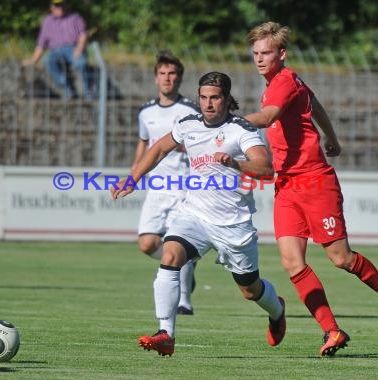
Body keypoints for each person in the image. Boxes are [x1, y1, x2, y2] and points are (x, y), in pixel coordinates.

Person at [244, 21, 378, 357]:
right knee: (292, 263)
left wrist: (225, 121)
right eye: (255, 53)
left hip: (315, 181)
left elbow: (267, 117)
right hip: (287, 185)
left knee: (341, 258)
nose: (260, 59)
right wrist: (331, 137)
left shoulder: (284, 81)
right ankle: (332, 331)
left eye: (266, 53)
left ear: (282, 54)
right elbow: (315, 105)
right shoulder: (281, 84)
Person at [111, 72, 286, 356]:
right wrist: (132, 178)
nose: (208, 103)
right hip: (194, 213)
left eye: (215, 97)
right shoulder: (188, 124)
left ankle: (277, 310)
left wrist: (235, 163)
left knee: (250, 290)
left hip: (233, 223)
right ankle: (166, 333)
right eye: (203, 97)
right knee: (170, 255)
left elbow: (265, 168)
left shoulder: (241, 129)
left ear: (227, 99)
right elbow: (158, 149)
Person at [131, 51, 201, 315]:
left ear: (179, 78)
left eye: (172, 74)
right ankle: (187, 266)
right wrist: (135, 171)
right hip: (157, 189)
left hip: (184, 188)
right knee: (147, 244)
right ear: (155, 78)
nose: (167, 78)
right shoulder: (146, 111)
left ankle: (185, 300)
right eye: (162, 73)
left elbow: (199, 142)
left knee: (176, 242)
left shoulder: (190, 110)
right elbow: (144, 143)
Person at [22, 0, 93, 100]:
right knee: (47, 60)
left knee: (81, 63)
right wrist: (34, 59)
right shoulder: (47, 21)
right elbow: (41, 44)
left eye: (62, 4)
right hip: (55, 51)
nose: (60, 7)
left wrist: (79, 49)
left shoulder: (75, 18)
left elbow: (83, 35)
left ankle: (88, 92)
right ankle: (67, 86)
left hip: (73, 48)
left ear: (66, 5)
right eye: (57, 5)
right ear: (51, 7)